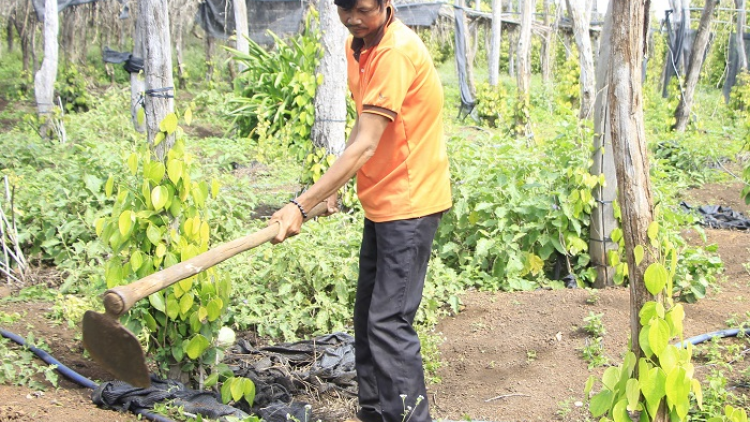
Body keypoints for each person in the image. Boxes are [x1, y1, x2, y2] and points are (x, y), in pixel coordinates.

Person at [268, 0, 451, 420]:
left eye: (363, 9)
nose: (352, 18)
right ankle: (374, 412)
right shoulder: (362, 45)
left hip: (410, 203)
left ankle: (408, 417)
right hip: (383, 201)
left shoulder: (393, 53)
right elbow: (363, 127)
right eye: (344, 8)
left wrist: (303, 203)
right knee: (369, 316)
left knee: (389, 322)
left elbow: (367, 143)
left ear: (386, 4)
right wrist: (335, 186)